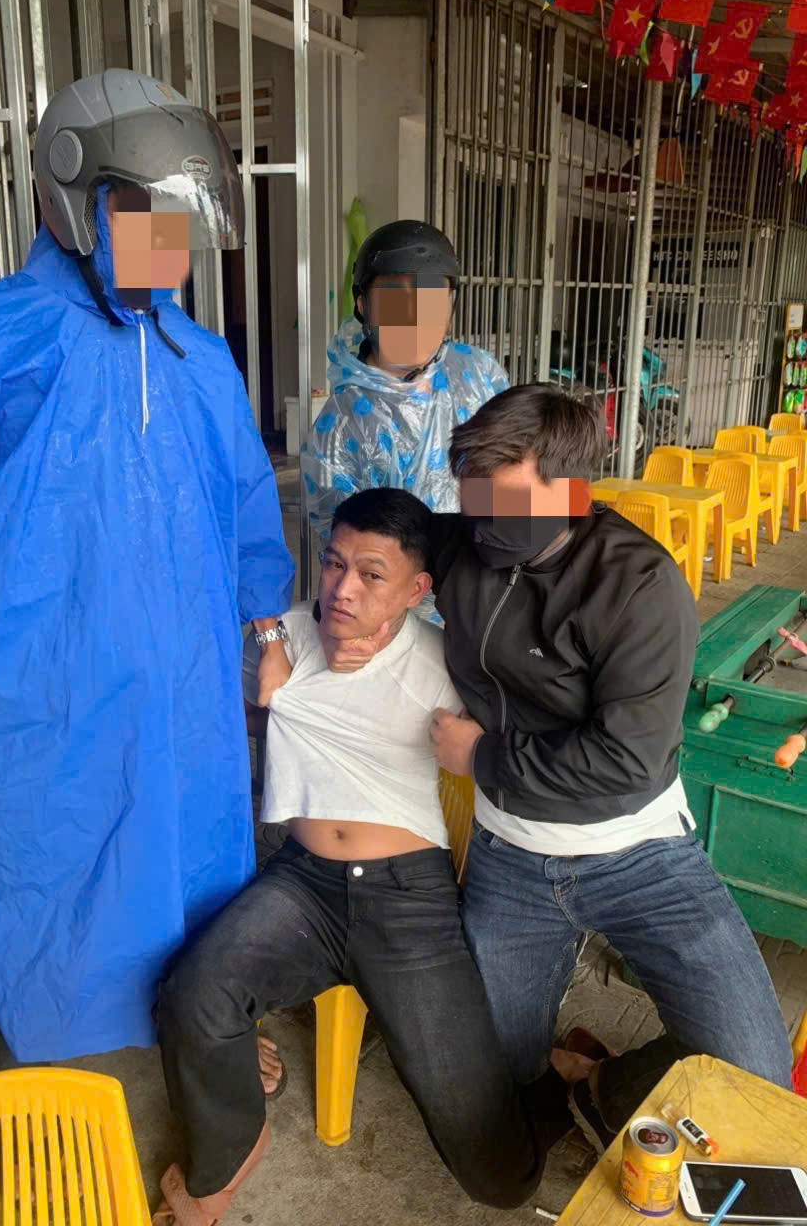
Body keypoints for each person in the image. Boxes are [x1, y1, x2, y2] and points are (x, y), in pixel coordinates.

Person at [0, 70, 295, 1067]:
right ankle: (42, 1056)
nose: (170, 244)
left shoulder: (199, 357)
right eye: (148, 217)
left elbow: (245, 506)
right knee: (45, 873)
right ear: (79, 204)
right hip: (36, 697)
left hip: (182, 694)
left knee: (189, 864)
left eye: (180, 220)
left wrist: (266, 629)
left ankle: (205, 1028)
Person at [154, 488, 557, 1223]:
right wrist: (269, 659)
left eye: (372, 575)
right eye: (334, 563)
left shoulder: (445, 662)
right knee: (193, 992)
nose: (343, 589)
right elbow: (216, 706)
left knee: (501, 1179)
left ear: (416, 589)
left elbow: (535, 711)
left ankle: (571, 1082)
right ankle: (227, 1158)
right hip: (303, 884)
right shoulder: (286, 638)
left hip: (409, 900)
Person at [419, 384, 792, 1146]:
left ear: (570, 492)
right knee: (496, 1078)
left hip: (639, 853)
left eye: (504, 500)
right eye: (471, 494)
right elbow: (377, 540)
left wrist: (481, 755)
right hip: (510, 856)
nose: (481, 518)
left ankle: (599, 1083)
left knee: (755, 1071)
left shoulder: (639, 586)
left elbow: (624, 762)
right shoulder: (464, 544)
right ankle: (553, 1075)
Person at [300, 220, 508, 623]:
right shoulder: (339, 426)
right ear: (363, 305)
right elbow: (345, 549)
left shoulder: (479, 375)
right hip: (396, 620)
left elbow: (519, 475)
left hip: (485, 599)